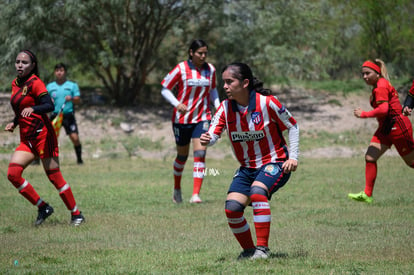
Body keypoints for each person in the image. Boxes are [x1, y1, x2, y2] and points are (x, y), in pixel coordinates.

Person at [200, 62, 299, 260]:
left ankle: (262, 250)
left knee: (257, 192)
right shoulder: (225, 108)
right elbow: (213, 135)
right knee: (232, 209)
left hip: (275, 162)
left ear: (245, 83)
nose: (225, 86)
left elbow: (293, 126)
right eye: (224, 82)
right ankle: (248, 251)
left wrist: (293, 158)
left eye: (230, 82)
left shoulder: (267, 102)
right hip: (247, 168)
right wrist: (207, 139)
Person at [5, 50, 85, 226]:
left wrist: (34, 109)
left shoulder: (36, 83)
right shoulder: (15, 83)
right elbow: (21, 108)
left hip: (43, 135)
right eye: (17, 61)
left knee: (54, 177)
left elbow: (48, 105)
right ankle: (43, 207)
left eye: (24, 62)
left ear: (33, 66)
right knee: (13, 174)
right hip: (27, 139)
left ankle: (77, 214)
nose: (19, 65)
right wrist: (15, 122)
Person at [161, 39, 220, 203]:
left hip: (203, 117)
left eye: (205, 53)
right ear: (191, 53)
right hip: (182, 119)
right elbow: (165, 89)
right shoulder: (181, 68)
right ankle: (177, 189)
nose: (203, 56)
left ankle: (195, 195)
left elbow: (213, 90)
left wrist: (218, 107)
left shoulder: (210, 70)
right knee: (182, 156)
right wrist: (177, 104)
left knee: (200, 153)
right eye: (200, 53)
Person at [348, 59, 414, 203]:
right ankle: (367, 194)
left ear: (377, 73)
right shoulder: (378, 84)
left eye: (368, 73)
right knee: (370, 157)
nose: (365, 77)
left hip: (398, 127)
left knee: (411, 163)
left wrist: (364, 114)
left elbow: (383, 110)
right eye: (363, 74)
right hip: (385, 128)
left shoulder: (381, 86)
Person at [47, 63, 83, 164]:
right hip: (55, 116)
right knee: (47, 139)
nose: (59, 73)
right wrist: (49, 101)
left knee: (75, 138)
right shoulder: (50, 86)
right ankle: (39, 160)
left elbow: (78, 100)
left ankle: (79, 160)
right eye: (57, 71)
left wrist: (71, 98)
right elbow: (43, 100)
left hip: (68, 115)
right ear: (55, 72)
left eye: (61, 70)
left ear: (65, 72)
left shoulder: (72, 85)